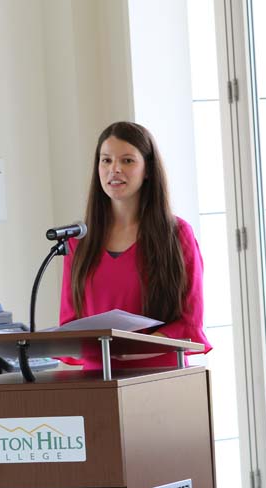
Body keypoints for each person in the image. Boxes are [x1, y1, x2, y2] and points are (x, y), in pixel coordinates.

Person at [59, 121, 212, 369]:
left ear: (148, 169)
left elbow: (190, 320)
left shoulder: (176, 234)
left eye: (127, 161)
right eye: (106, 160)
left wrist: (136, 345)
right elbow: (69, 322)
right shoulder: (79, 240)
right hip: (97, 381)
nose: (114, 169)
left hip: (160, 374)